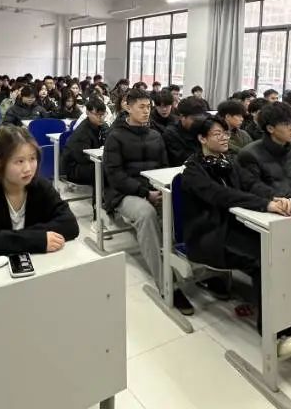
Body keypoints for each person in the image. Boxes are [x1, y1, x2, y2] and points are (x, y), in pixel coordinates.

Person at [181, 118, 291, 352]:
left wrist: (274, 197)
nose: (225, 137)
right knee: (263, 260)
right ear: (202, 139)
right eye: (217, 134)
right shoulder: (193, 171)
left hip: (236, 226)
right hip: (209, 235)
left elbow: (251, 184)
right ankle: (274, 336)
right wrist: (265, 205)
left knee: (288, 250)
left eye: (226, 133)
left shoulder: (229, 161)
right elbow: (222, 196)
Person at [102, 88, 193, 314]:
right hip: (124, 194)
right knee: (146, 214)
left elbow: (164, 168)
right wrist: (145, 193)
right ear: (128, 107)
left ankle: (192, 263)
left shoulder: (155, 135)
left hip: (153, 190)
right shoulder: (115, 136)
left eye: (148, 107)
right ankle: (166, 283)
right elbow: (115, 175)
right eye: (141, 107)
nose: (146, 111)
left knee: (182, 206)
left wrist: (161, 190)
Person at [0, 127, 78, 259]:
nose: (28, 169)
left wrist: (10, 240)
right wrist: (35, 239)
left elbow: (70, 224)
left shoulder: (41, 186)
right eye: (19, 161)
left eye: (32, 158)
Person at [236, 103, 291, 199]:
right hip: (273, 205)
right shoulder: (249, 155)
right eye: (286, 124)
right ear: (270, 128)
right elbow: (253, 187)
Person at [61, 98, 108, 185]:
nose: (101, 118)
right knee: (106, 170)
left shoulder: (102, 126)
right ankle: (100, 193)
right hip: (75, 168)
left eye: (103, 114)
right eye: (97, 115)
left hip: (90, 163)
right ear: (87, 112)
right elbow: (83, 159)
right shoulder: (82, 132)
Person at [163, 97, 208, 166]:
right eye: (196, 120)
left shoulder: (205, 127)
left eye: (202, 119)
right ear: (182, 117)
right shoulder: (171, 133)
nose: (199, 123)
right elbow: (183, 160)